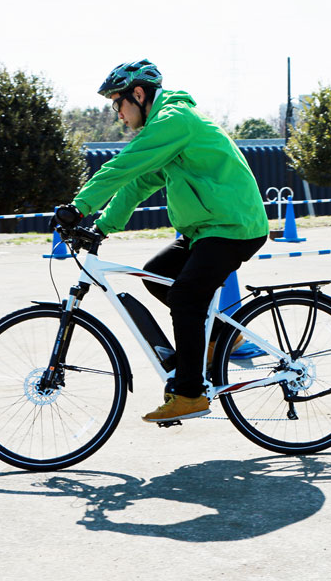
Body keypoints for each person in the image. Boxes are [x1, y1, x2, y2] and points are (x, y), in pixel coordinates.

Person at [52, 59, 269, 423]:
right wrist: (102, 226)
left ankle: (189, 393)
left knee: (186, 295)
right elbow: (139, 182)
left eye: (117, 103)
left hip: (233, 226)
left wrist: (79, 207)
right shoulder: (165, 128)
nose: (117, 113)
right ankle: (219, 340)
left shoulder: (174, 121)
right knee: (156, 274)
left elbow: (125, 165)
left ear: (138, 94)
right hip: (207, 228)